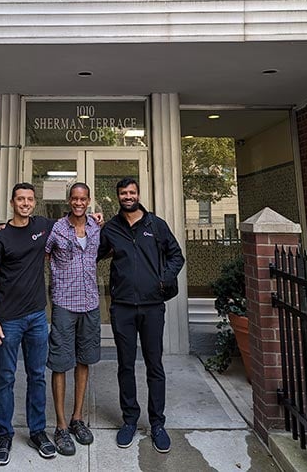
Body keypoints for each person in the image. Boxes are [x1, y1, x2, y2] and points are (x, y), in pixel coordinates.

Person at [97, 177, 185, 453]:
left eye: (132, 192)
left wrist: (163, 279)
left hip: (152, 306)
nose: (128, 196)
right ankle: (130, 421)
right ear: (117, 196)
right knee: (125, 365)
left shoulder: (155, 225)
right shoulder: (110, 228)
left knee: (154, 365)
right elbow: (93, 254)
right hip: (122, 306)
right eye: (123, 192)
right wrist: (91, 225)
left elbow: (176, 256)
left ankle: (157, 424)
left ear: (138, 194)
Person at [0, 182, 57, 466]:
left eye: (29, 199)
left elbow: (73, 219)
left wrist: (94, 217)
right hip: (9, 320)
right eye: (20, 199)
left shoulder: (43, 225)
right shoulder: (0, 239)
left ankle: (37, 432)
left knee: (37, 375)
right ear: (12, 202)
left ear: (34, 203)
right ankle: (5, 434)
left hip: (38, 316)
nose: (25, 203)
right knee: (6, 377)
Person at [45, 182, 101, 456]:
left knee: (83, 360)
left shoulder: (95, 227)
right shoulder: (57, 229)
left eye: (83, 198)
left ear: (89, 200)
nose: (79, 202)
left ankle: (78, 418)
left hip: (90, 304)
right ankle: (61, 425)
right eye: (74, 198)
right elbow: (38, 256)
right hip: (64, 305)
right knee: (60, 363)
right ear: (69, 200)